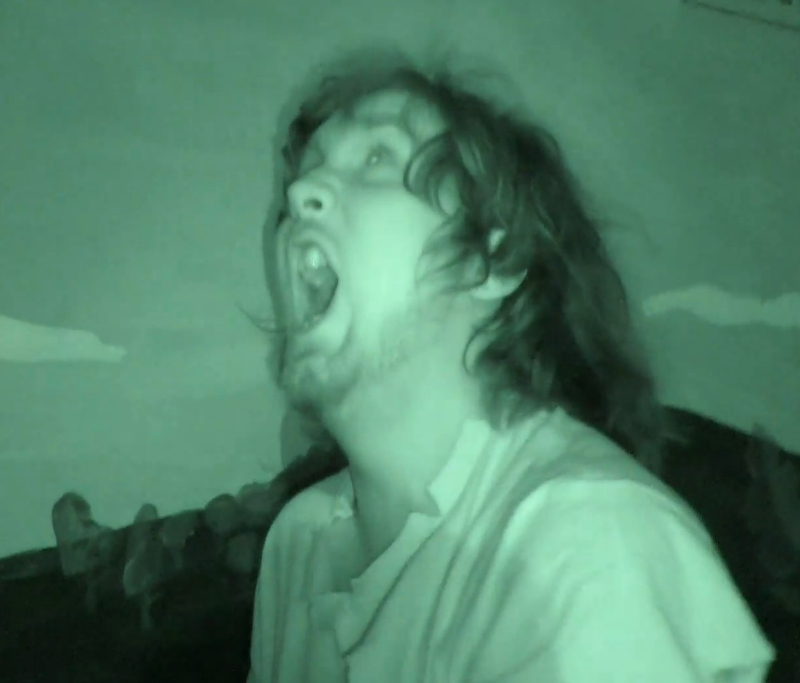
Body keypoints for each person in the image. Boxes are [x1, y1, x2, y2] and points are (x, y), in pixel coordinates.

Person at [245, 46, 776, 682]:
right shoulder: (298, 543)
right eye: (306, 170)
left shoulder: (592, 543)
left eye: (378, 158)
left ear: (490, 261)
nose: (300, 191)